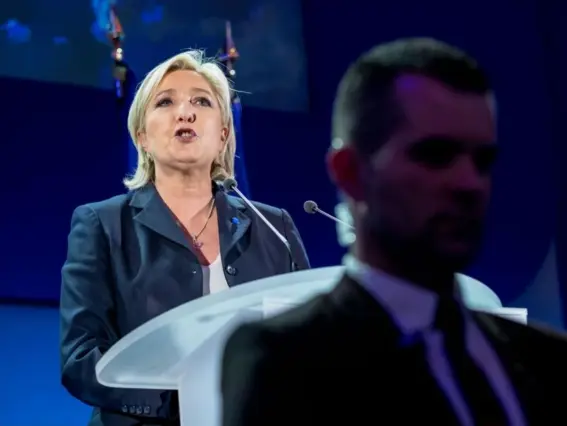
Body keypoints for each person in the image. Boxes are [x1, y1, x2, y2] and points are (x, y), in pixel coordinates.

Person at [220, 38, 567, 425]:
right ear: (349, 172)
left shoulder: (547, 361)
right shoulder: (284, 359)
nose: (470, 182)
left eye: (482, 160)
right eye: (435, 155)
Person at [59, 49, 310, 426]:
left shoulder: (274, 226)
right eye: (165, 102)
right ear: (142, 135)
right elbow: (81, 359)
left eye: (201, 101)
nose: (185, 112)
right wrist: (190, 400)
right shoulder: (101, 224)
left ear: (224, 133)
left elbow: (311, 343)